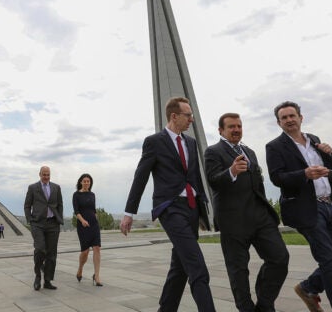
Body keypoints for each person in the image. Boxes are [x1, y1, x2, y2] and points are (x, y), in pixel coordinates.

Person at [120, 97, 215, 312]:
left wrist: (202, 211)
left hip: (191, 208)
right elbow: (140, 177)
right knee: (197, 267)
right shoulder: (154, 142)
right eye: (188, 115)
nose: (192, 119)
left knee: (180, 266)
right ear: (174, 116)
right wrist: (129, 213)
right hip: (170, 208)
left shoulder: (190, 142)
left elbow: (195, 178)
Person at [266, 101, 332, 312]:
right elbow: (277, 178)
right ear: (279, 123)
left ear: (300, 117)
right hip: (306, 209)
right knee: (330, 260)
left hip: (330, 205)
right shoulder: (274, 147)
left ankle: (309, 287)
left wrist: (328, 154)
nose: (289, 120)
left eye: (292, 115)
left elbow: (330, 167)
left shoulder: (314, 140)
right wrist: (304, 174)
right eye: (284, 118)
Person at [204, 113, 289, 312]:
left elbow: (258, 184)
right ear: (221, 130)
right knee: (238, 271)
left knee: (279, 258)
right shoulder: (213, 152)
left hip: (260, 217)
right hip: (233, 221)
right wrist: (231, 171)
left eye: (239, 126)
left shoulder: (249, 151)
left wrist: (266, 210)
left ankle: (265, 304)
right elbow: (213, 180)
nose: (236, 130)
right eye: (231, 126)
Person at [24, 165, 64, 291]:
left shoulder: (56, 187)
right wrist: (30, 220)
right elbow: (27, 206)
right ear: (39, 174)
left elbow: (60, 205)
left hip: (53, 224)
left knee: (52, 254)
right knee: (40, 249)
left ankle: (47, 281)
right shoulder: (32, 188)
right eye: (44, 174)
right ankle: (37, 276)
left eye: (48, 174)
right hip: (38, 224)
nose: (46, 177)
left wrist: (59, 219)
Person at [73, 173, 103, 286]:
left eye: (88, 181)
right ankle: (80, 269)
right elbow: (76, 211)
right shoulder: (76, 195)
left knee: (97, 248)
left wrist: (96, 217)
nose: (86, 183)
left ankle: (97, 275)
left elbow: (93, 209)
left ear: (90, 183)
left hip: (94, 225)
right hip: (83, 226)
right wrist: (82, 221)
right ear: (81, 182)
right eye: (84, 181)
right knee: (85, 251)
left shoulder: (92, 194)